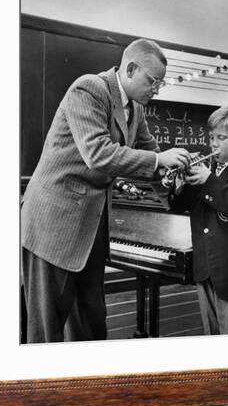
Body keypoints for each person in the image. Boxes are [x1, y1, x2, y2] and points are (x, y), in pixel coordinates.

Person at [21, 38, 191, 343]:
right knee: (47, 330)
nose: (156, 89)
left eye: (161, 84)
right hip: (53, 226)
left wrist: (173, 171)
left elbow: (153, 154)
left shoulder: (136, 110)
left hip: (90, 227)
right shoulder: (89, 89)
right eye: (153, 81)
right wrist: (158, 160)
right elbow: (97, 154)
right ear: (130, 69)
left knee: (90, 325)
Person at [168, 105, 228, 335]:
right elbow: (179, 206)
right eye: (211, 137)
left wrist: (208, 180)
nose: (213, 144)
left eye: (221, 137)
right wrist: (179, 185)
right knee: (212, 337)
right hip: (204, 270)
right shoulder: (206, 175)